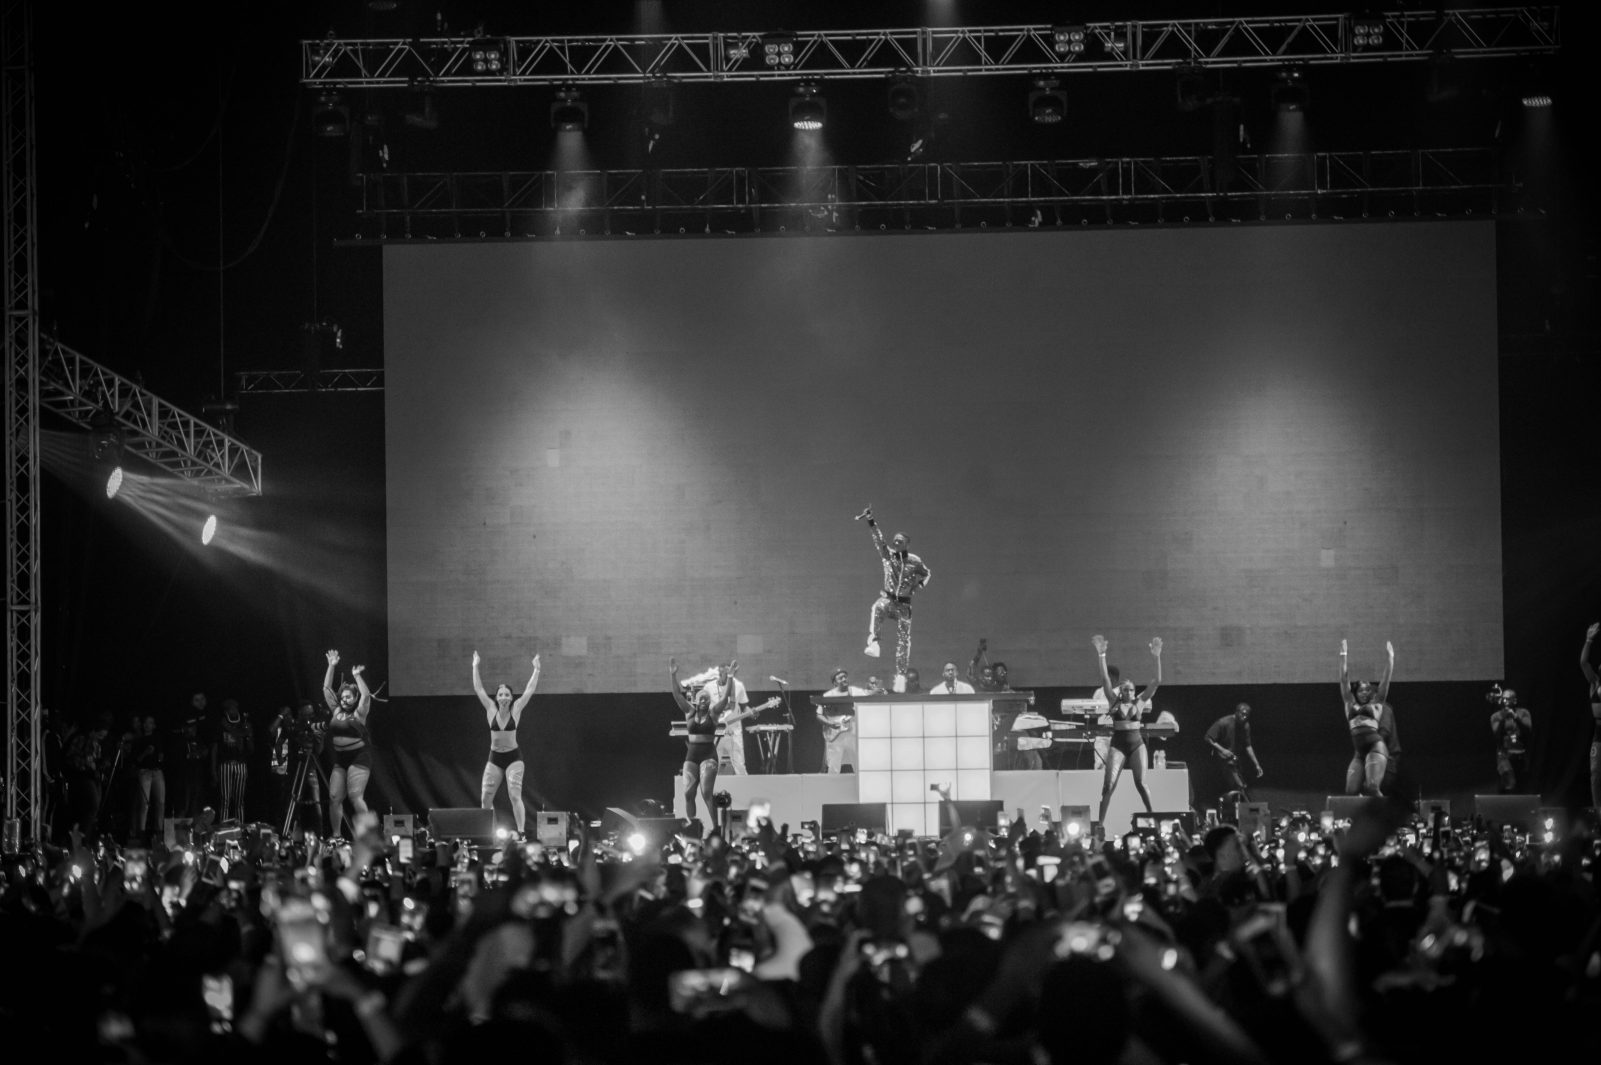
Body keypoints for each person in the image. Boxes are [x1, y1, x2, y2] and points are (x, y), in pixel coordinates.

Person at [1091, 635, 1162, 826]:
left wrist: (1156, 656)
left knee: (1140, 783)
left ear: (1134, 691)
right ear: (1120, 692)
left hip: (1136, 745)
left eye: (1130, 690)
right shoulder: (1114, 703)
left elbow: (1156, 681)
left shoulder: (1139, 702)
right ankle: (1100, 825)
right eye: (1124, 690)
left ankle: (1152, 818)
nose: (1128, 693)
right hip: (1119, 745)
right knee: (1108, 786)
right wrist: (1102, 654)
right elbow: (1105, 679)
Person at [859, 506, 931, 691]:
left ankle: (900, 676)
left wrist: (918, 586)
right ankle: (874, 642)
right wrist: (871, 521)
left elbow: (927, 573)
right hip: (889, 600)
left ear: (906, 543)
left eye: (900, 540)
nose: (896, 542)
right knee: (877, 607)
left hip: (904, 606)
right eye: (895, 540)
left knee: (903, 640)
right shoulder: (888, 555)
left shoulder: (914, 560)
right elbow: (879, 540)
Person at [472, 650, 541, 837]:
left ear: (511, 698)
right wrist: (475, 665)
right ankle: (488, 833)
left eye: (506, 694)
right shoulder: (490, 709)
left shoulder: (516, 709)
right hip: (494, 758)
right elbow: (478, 689)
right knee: (485, 798)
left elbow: (529, 690)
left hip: (513, 758)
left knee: (514, 795)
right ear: (497, 697)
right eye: (500, 694)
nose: (503, 697)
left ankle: (521, 833)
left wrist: (536, 669)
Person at [322, 649, 375, 838]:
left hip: (360, 757)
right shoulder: (336, 710)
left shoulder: (359, 713)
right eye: (342, 696)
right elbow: (326, 689)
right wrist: (331, 666)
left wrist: (357, 676)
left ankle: (369, 836)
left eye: (348, 697)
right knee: (335, 797)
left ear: (354, 698)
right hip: (341, 758)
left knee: (355, 796)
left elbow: (366, 696)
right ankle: (336, 836)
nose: (344, 699)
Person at [1340, 639, 1394, 797]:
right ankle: (1361, 817)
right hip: (1359, 752)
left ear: (1371, 693)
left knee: (1371, 787)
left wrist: (1390, 659)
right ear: (1356, 693)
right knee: (1351, 790)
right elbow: (1344, 680)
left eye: (1367, 690)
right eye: (1361, 690)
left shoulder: (1377, 703)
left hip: (1375, 747)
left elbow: (1385, 682)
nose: (1364, 692)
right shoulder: (1349, 704)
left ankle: (1385, 818)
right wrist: (1343, 655)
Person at [669, 657, 720, 824]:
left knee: (706, 793)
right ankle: (693, 827)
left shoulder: (712, 714)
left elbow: (726, 700)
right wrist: (673, 675)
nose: (704, 701)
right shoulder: (689, 712)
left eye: (707, 698)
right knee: (688, 794)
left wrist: (731, 679)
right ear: (697, 700)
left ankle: (715, 828)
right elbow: (677, 695)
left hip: (708, 755)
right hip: (691, 756)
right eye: (701, 698)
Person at [1205, 703, 1262, 805]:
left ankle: (1239, 807)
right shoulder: (1223, 722)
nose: (1244, 717)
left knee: (1240, 784)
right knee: (1236, 783)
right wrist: (1222, 750)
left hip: (1234, 758)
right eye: (1242, 714)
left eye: (1246, 715)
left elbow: (1248, 746)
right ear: (1236, 712)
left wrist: (1257, 764)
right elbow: (1208, 737)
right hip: (1221, 757)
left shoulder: (1245, 725)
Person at [817, 667, 870, 774]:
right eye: (840, 678)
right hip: (836, 736)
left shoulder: (855, 691)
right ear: (835, 682)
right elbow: (819, 715)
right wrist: (829, 723)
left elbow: (868, 695)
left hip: (852, 734)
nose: (844, 679)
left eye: (845, 677)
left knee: (858, 765)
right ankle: (832, 789)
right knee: (833, 766)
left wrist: (876, 691)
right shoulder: (827, 696)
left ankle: (861, 788)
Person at [702, 661, 751, 776]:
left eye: (731, 672)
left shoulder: (738, 685)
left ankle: (746, 791)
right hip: (715, 731)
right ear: (720, 671)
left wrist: (750, 712)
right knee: (712, 765)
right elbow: (704, 710)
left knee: (739, 765)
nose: (728, 675)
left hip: (733, 731)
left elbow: (744, 706)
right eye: (726, 672)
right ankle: (709, 791)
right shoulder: (708, 687)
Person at [214, 698, 253, 824]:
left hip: (241, 764)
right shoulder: (221, 724)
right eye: (230, 708)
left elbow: (251, 748)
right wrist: (213, 769)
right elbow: (214, 748)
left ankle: (240, 827)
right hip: (225, 764)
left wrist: (248, 734)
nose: (233, 710)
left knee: (239, 800)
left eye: (235, 707)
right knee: (225, 799)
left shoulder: (244, 724)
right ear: (226, 710)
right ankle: (223, 828)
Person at [127, 714, 164, 842]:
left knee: (160, 802)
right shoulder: (139, 740)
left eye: (151, 722)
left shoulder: (158, 738)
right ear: (144, 725)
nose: (149, 725)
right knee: (144, 803)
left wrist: (160, 756)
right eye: (147, 722)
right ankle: (141, 832)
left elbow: (161, 755)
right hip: (144, 772)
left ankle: (158, 831)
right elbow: (136, 761)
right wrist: (145, 753)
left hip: (157, 772)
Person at [173, 691, 211, 817]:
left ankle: (195, 830)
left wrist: (201, 753)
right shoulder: (182, 741)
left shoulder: (201, 734)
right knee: (184, 802)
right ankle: (179, 829)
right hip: (185, 776)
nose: (192, 729)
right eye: (189, 726)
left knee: (197, 801)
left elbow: (205, 751)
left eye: (194, 727)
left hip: (199, 774)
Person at [1487, 686, 1532, 793]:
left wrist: (1515, 716)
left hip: (1521, 754)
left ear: (1514, 700)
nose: (1505, 701)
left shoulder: (1524, 713)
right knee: (1508, 783)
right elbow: (1497, 736)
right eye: (1504, 698)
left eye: (1508, 698)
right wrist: (1504, 718)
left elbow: (1528, 730)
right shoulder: (1496, 716)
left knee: (1520, 786)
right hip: (1504, 755)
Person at [1583, 624, 1601, 811]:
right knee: (1595, 772)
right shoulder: (1595, 683)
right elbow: (1583, 663)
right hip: (1599, 734)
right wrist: (1588, 640)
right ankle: (1598, 811)